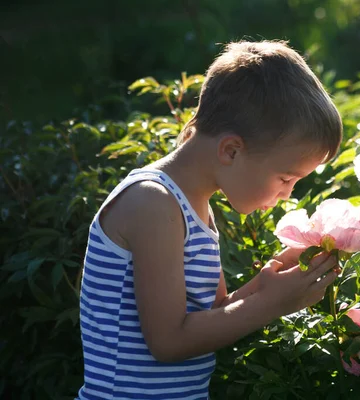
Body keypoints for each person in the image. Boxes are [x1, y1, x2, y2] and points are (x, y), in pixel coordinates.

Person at [76, 40, 343, 400]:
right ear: (231, 150)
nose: (287, 194)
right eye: (285, 178)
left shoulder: (194, 204)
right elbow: (169, 341)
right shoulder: (153, 204)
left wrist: (266, 285)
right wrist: (271, 304)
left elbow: (209, 315)